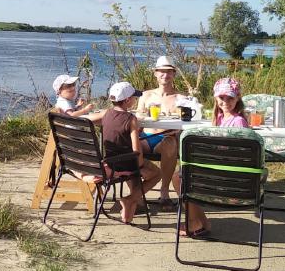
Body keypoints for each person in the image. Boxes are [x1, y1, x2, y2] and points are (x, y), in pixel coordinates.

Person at [176, 76, 249, 238]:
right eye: (221, 98)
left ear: (237, 99)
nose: (225, 101)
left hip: (226, 178)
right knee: (180, 175)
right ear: (216, 99)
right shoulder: (221, 119)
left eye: (230, 97)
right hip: (220, 173)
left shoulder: (238, 122)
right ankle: (201, 222)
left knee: (180, 178)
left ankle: (194, 222)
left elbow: (234, 156)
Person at [101, 81, 163, 224]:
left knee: (138, 168)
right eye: (134, 97)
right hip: (126, 164)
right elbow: (136, 150)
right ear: (128, 100)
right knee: (157, 174)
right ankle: (130, 199)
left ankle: (130, 208)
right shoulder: (131, 119)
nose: (136, 100)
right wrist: (140, 165)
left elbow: (92, 120)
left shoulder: (106, 114)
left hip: (110, 161)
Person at [135, 55, 185, 209]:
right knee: (128, 146)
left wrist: (176, 131)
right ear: (155, 73)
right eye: (161, 71)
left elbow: (185, 122)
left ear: (174, 74)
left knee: (170, 144)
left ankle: (164, 192)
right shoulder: (146, 95)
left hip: (165, 138)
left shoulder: (180, 98)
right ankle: (136, 195)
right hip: (145, 137)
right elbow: (138, 118)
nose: (165, 75)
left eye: (169, 71)